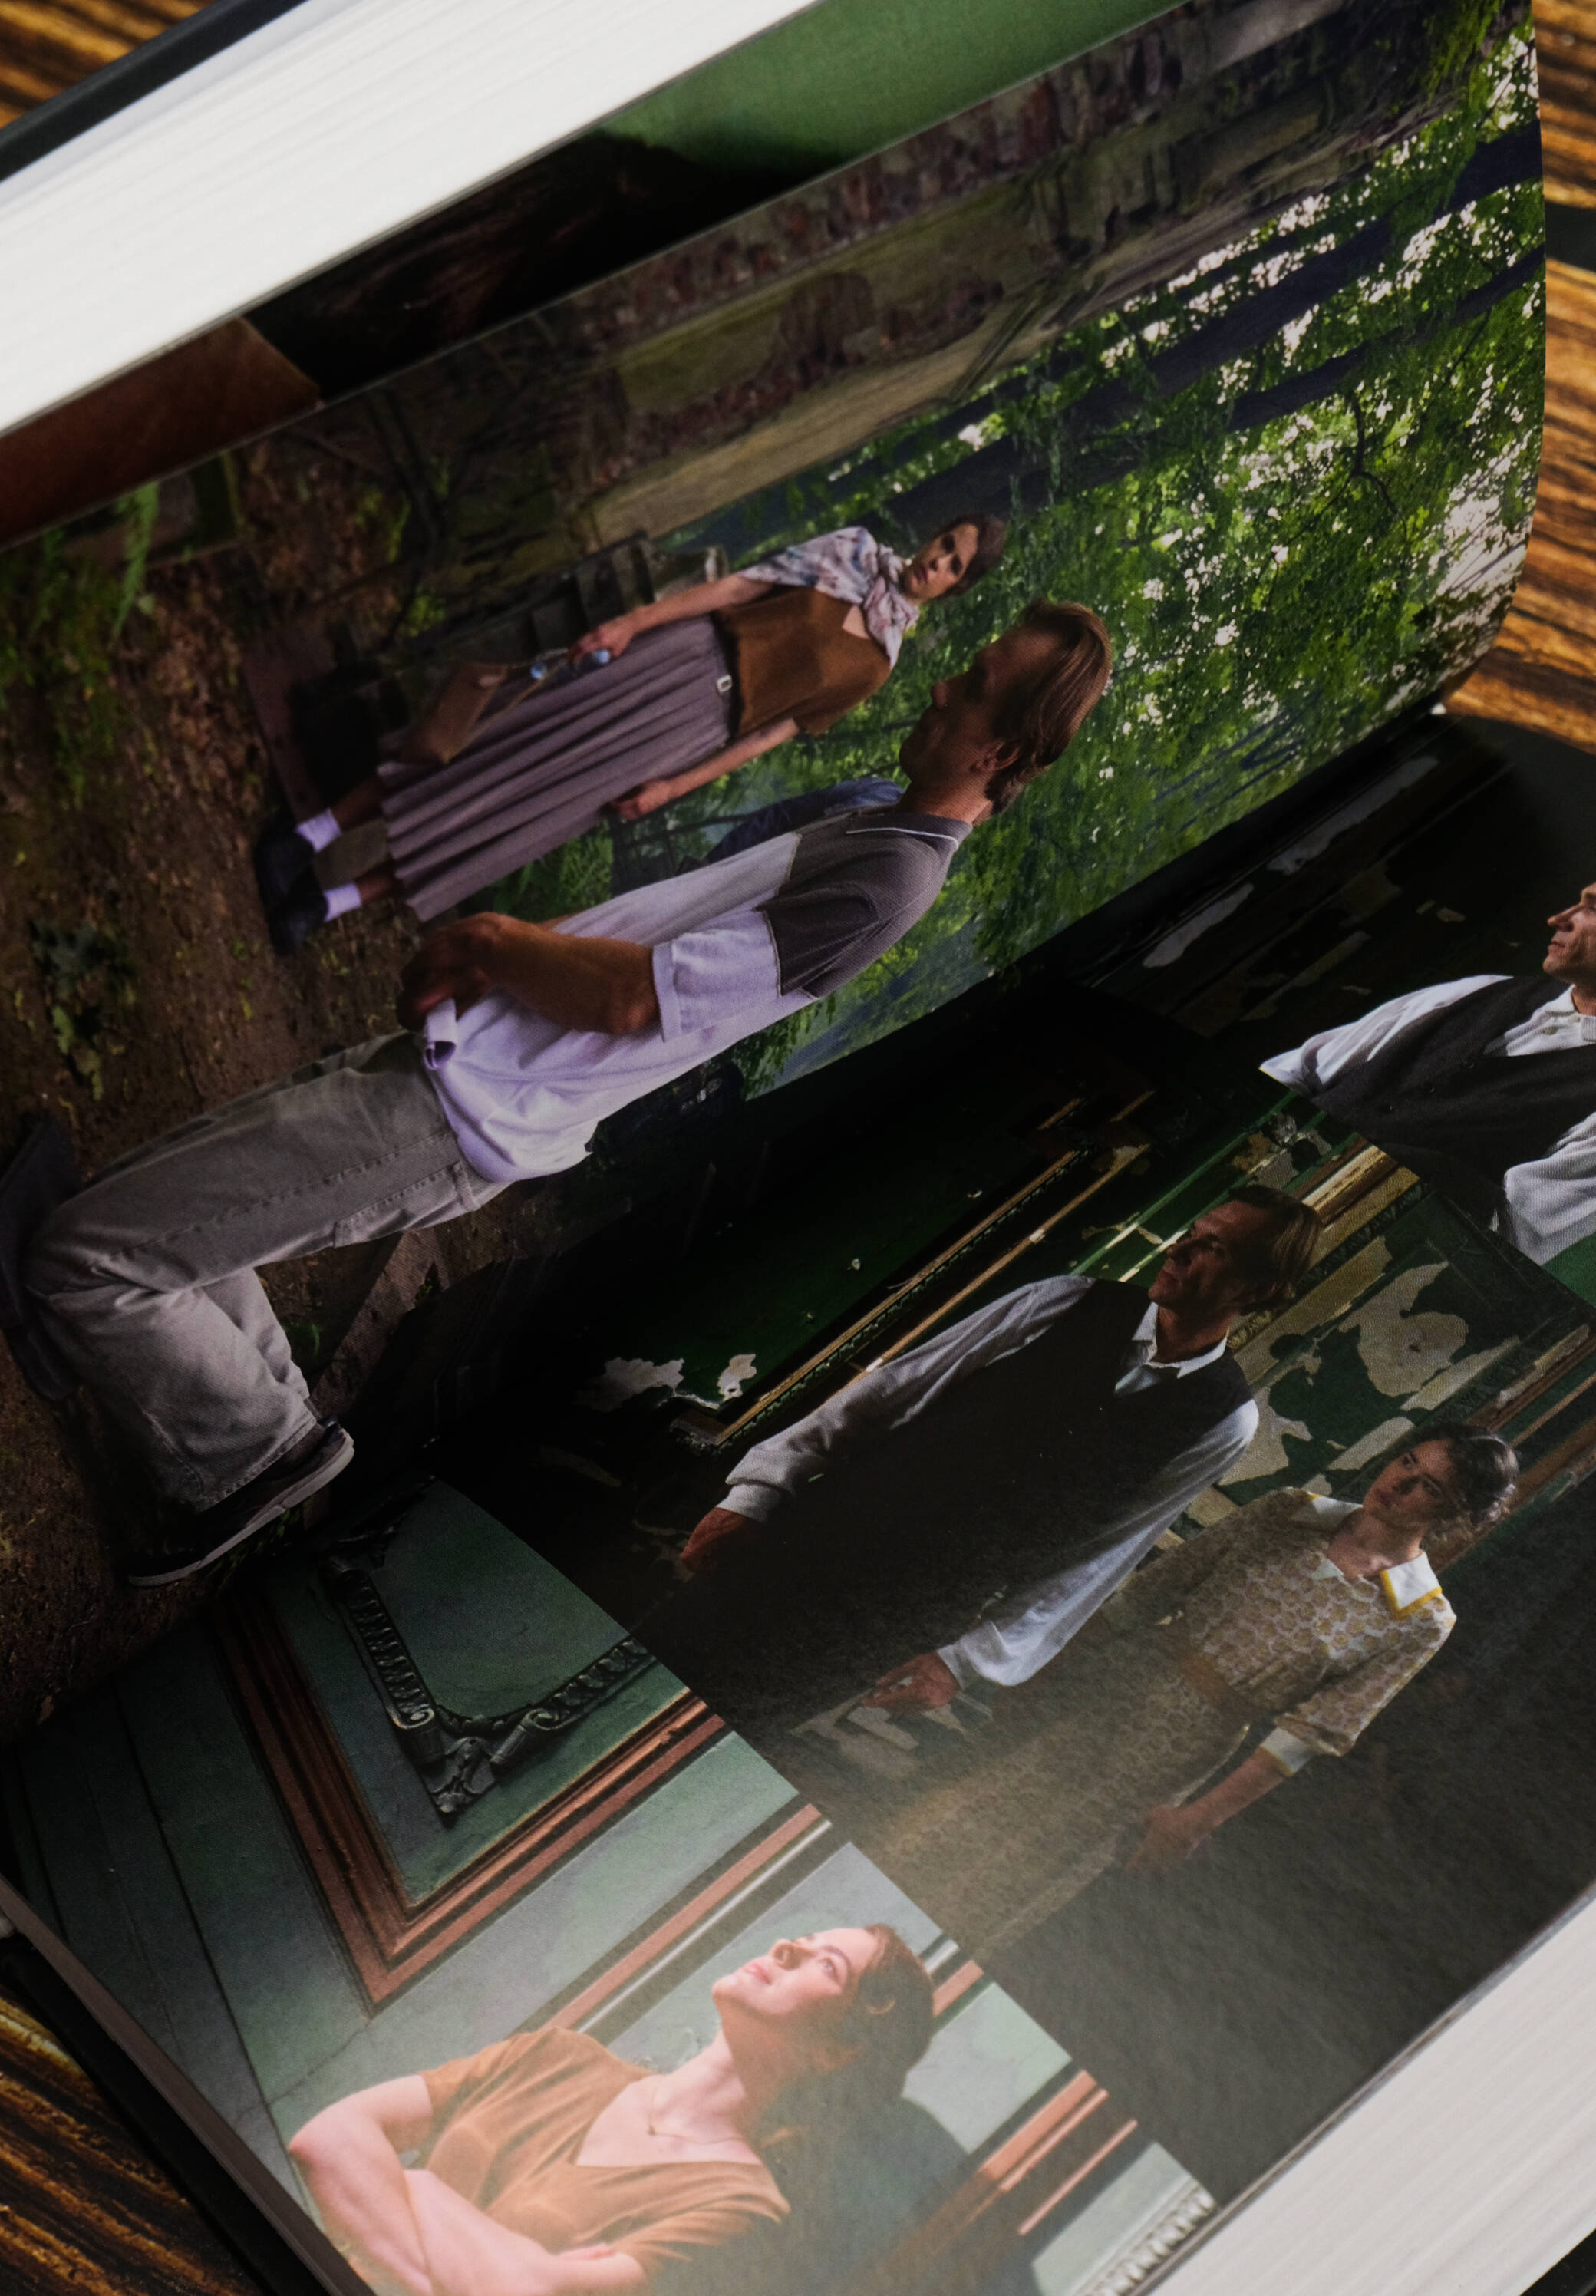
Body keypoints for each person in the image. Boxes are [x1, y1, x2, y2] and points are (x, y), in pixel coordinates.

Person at [21, 602, 1113, 1586]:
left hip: (466, 1110)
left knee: (83, 1259)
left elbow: (644, 997)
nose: (940, 684)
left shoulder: (887, 884)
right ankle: (267, 1419)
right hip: (470, 1064)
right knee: (162, 1224)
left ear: (1000, 748)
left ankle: (247, 1456)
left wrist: (492, 941)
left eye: (974, 684)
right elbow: (653, 934)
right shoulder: (880, 818)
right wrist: (501, 962)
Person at [663, 1188, 1320, 1738]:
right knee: (662, 1666)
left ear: (1260, 1288)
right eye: (1192, 1233)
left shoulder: (1222, 1420)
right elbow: (882, 1396)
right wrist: (754, 1493)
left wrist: (964, 1661)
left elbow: (1101, 1557)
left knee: (729, 1731)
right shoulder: (1065, 1301)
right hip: (811, 1539)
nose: (1178, 1250)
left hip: (904, 1612)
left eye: (1214, 1249)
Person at [852, 1430, 1517, 1955]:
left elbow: (1315, 1732)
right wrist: (1042, 1671)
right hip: (1108, 1683)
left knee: (1035, 1851)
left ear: (1453, 1514)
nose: (1398, 1483)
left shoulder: (1420, 1619)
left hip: (1183, 1741)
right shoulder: (1287, 1512)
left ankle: (916, 1962)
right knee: (965, 1800)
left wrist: (1197, 1819)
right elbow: (1147, 1596)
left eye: (1428, 1486)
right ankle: (851, 1909)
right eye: (1407, 1462)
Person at [257, 516, 1007, 951]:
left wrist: (673, 787)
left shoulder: (877, 665)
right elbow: (738, 585)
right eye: (943, 543)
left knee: (524, 815)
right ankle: (308, 838)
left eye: (953, 565)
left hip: (688, 733)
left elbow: (773, 733)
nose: (936, 561)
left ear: (955, 587)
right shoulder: (851, 551)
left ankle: (328, 904)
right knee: (495, 745)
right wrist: (632, 622)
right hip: (674, 657)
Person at [285, 1924, 933, 2296]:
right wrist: (478, 2266)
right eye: (805, 1938)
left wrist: (415, 2186)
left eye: (828, 1965)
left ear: (837, 2053)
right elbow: (326, 2140)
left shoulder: (742, 2207)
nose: (787, 1946)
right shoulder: (555, 2057)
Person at [1262, 879, 1596, 1262]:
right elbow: (1298, 1069)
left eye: (1593, 908)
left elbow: (1506, 1233)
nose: (1559, 918)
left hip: (1341, 1250)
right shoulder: (1484, 990)